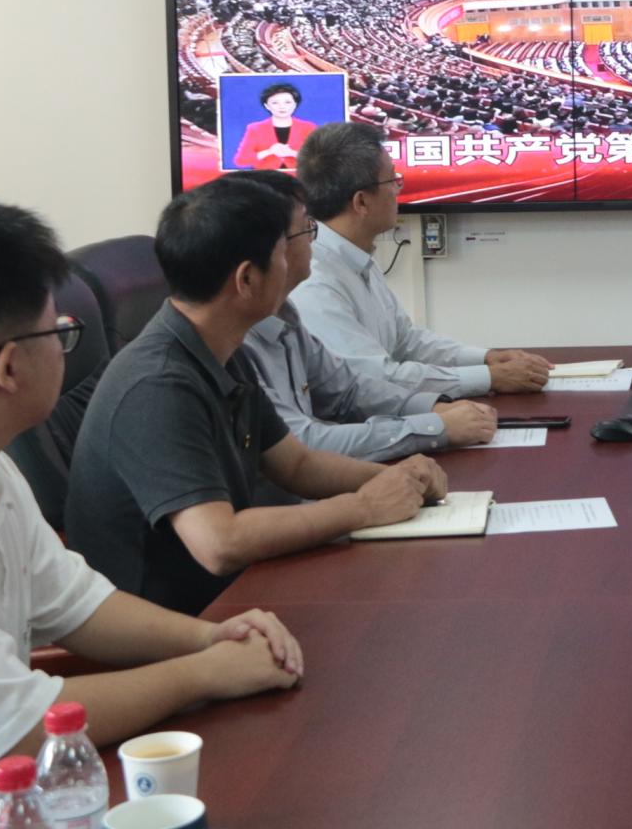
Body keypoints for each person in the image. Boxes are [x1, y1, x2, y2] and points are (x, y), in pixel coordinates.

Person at [0, 187, 301, 829]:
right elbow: (18, 733)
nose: (66, 343)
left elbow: (79, 606)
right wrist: (204, 672)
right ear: (9, 369)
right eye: (59, 332)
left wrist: (212, 636)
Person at [66, 176, 449, 616]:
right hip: (177, 620)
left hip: (235, 591)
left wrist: (398, 479)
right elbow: (219, 543)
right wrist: (363, 507)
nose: (297, 264)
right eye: (285, 252)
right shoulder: (157, 385)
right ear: (247, 279)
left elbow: (297, 465)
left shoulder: (221, 349)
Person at [229, 171, 500, 459]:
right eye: (306, 228)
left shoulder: (286, 315)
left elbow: (348, 390)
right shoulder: (236, 341)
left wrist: (433, 407)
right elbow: (301, 445)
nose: (312, 239)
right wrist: (434, 427)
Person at [291, 122, 552, 396]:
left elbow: (406, 342)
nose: (398, 190)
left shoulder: (355, 257)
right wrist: (489, 378)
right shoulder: (315, 281)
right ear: (361, 202)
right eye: (392, 181)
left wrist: (486, 359)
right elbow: (373, 378)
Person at [231, 81, 316, 171]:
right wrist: (269, 152)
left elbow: (317, 159)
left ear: (295, 104)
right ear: (267, 106)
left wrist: (292, 153)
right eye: (275, 103)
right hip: (266, 175)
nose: (282, 107)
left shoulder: (308, 127)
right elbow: (240, 160)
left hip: (298, 176)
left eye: (287, 102)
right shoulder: (255, 128)